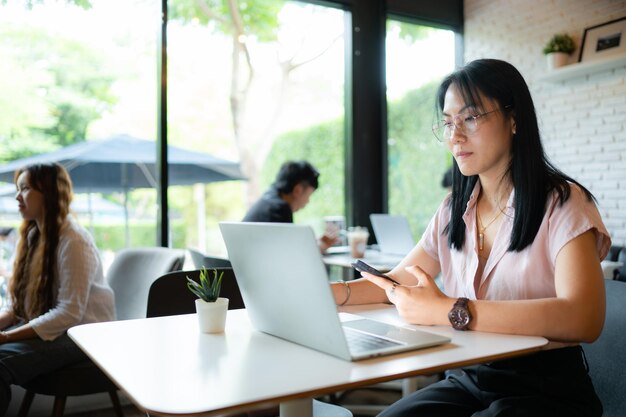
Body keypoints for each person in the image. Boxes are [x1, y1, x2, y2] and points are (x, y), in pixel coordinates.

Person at [331, 59, 609, 417]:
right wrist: (328, 295)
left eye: (471, 118)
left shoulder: (563, 202)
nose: (455, 135)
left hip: (545, 389)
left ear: (514, 119)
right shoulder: (453, 208)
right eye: (447, 123)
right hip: (468, 377)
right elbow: (397, 282)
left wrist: (448, 310)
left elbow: (583, 318)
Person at [0, 163, 115, 415]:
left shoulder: (73, 240)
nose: (18, 197)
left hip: (83, 335)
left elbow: (69, 313)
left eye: (25, 188)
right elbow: (16, 306)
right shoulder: (31, 237)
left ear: (50, 193)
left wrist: (7, 337)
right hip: (61, 330)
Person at [243, 160, 338, 252]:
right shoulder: (279, 208)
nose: (307, 202)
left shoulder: (267, 201)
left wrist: (317, 243)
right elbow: (289, 255)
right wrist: (321, 246)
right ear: (298, 190)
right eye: (308, 195)